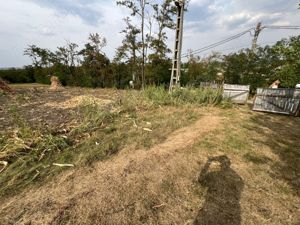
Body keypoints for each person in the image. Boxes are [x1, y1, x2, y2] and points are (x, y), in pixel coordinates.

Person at [194, 156, 244, 225]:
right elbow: (239, 193)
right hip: (230, 212)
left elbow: (200, 179)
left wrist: (208, 163)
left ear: (219, 164)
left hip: (212, 209)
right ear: (229, 164)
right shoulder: (239, 178)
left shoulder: (215, 175)